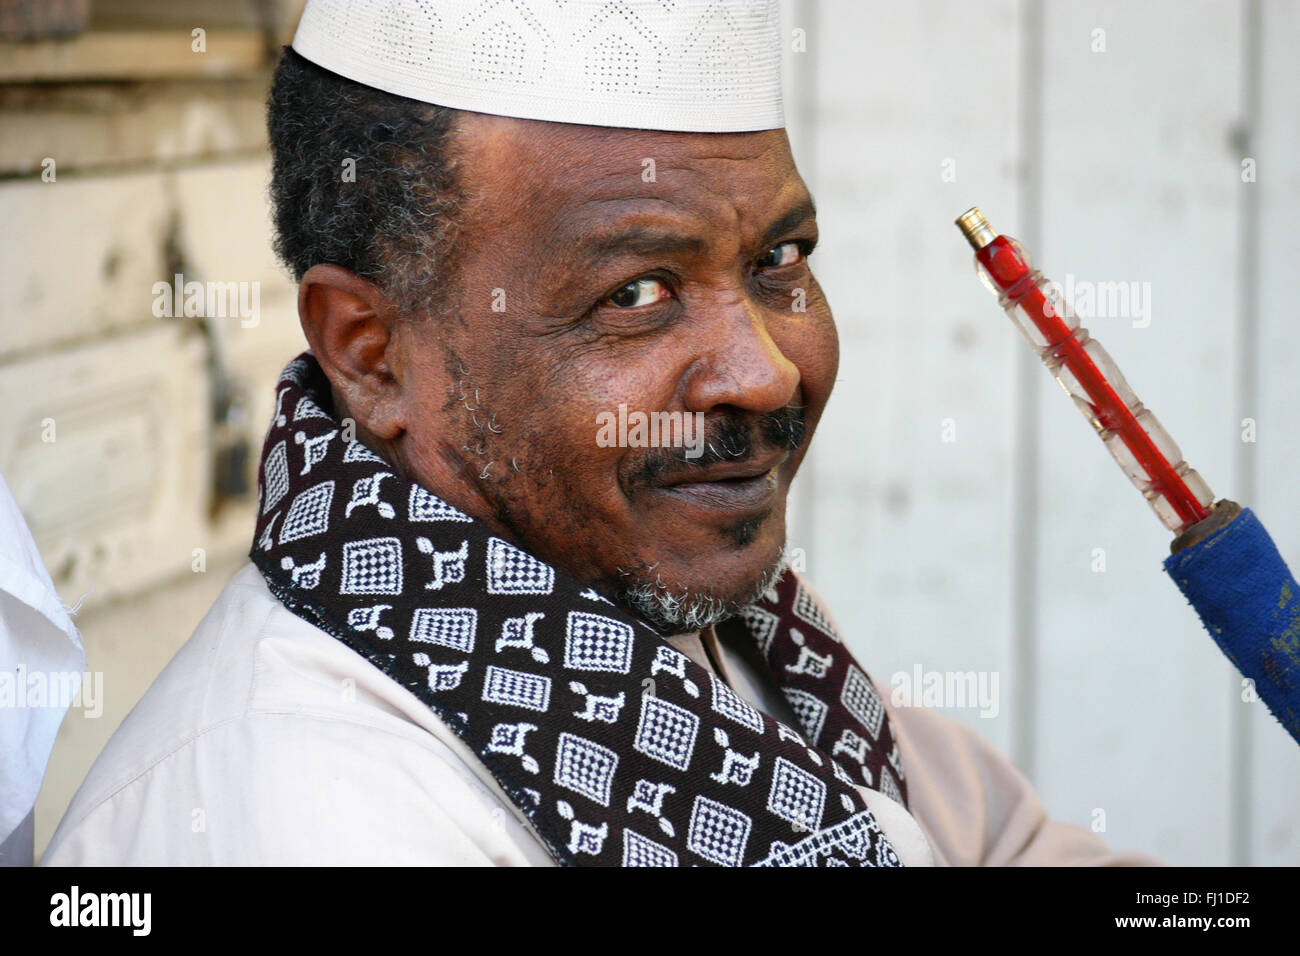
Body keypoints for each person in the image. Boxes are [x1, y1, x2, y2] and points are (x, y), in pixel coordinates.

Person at [44, 0, 1156, 867]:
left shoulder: (711, 628)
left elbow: (995, 845)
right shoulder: (289, 812)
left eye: (776, 260)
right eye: (636, 294)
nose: (764, 371)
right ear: (371, 350)